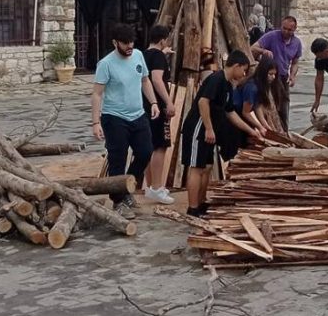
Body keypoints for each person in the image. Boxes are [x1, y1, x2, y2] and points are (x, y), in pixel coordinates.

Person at [180, 50, 263, 216]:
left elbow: (230, 112)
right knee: (196, 167)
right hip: (199, 127)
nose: (244, 74)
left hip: (209, 130)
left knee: (207, 166)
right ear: (236, 66)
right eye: (244, 70)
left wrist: (251, 131)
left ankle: (201, 201)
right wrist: (209, 128)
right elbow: (203, 102)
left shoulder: (227, 85)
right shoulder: (216, 79)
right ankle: (193, 207)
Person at [91, 23, 161, 218]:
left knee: (145, 152)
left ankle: (128, 189)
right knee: (117, 159)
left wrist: (153, 102)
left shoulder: (138, 55)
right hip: (114, 118)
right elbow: (97, 94)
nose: (129, 46)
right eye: (125, 43)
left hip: (138, 115)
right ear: (115, 43)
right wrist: (95, 122)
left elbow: (145, 80)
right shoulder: (106, 64)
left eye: (131, 42)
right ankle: (118, 201)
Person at [141, 24, 176, 205]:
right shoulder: (158, 57)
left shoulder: (143, 55)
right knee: (160, 146)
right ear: (163, 40)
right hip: (157, 106)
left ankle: (150, 187)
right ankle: (157, 187)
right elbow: (156, 79)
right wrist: (168, 102)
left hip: (144, 106)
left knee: (149, 145)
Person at [250, 16, 302, 129]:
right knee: (268, 105)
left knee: (283, 106)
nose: (286, 31)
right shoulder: (272, 36)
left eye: (289, 30)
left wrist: (293, 76)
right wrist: (264, 51)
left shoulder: (297, 43)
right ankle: (268, 128)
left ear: (294, 29)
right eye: (284, 28)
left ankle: (283, 130)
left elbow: (295, 62)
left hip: (283, 76)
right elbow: (253, 48)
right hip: (269, 76)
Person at [251, 55, 287, 134]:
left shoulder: (268, 87)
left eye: (274, 74)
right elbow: (251, 111)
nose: (273, 77)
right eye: (270, 74)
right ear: (263, 73)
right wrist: (263, 126)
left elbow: (259, 107)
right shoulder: (253, 88)